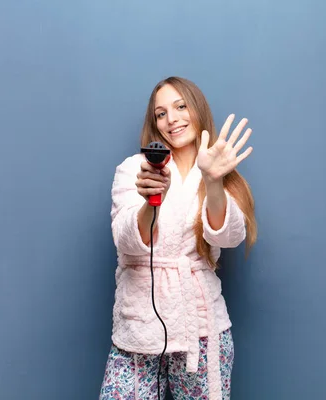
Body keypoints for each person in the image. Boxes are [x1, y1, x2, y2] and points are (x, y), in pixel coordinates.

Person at [99, 76, 257, 400]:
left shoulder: (217, 170)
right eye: (161, 113)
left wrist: (214, 181)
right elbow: (126, 240)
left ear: (196, 109)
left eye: (180, 106)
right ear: (154, 124)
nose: (172, 119)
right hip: (140, 329)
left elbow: (229, 237)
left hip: (201, 328)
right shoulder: (133, 171)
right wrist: (149, 201)